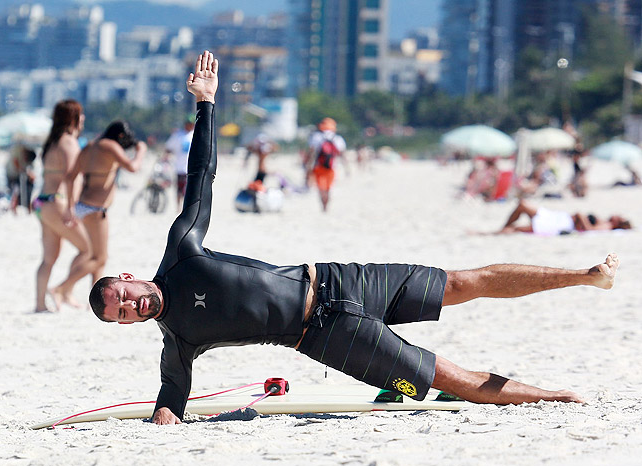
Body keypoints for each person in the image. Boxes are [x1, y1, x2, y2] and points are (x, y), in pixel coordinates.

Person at [87, 51, 623, 426]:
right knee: (446, 377)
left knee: (465, 281)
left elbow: (200, 178)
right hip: (325, 339)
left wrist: (205, 105)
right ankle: (556, 395)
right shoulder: (178, 340)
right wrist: (162, 420)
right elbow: (172, 396)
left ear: (129, 279)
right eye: (125, 316)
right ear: (127, 325)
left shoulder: (181, 255)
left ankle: (585, 276)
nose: (133, 307)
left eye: (124, 297)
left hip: (340, 279)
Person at [52, 120, 147, 307]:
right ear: (120, 136)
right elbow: (133, 167)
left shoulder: (89, 147)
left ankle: (94, 300)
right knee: (99, 258)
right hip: (96, 209)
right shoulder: (110, 146)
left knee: (94, 256)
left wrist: (71, 206)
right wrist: (141, 150)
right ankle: (61, 288)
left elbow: (70, 177)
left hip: (83, 206)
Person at [34, 99, 92, 313]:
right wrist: (71, 206)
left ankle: (40, 304)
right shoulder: (68, 142)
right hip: (58, 202)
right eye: (81, 114)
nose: (83, 118)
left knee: (49, 258)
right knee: (88, 250)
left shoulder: (52, 142)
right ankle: (64, 290)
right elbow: (71, 176)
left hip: (42, 202)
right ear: (73, 118)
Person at [495, 199, 632, 235]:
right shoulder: (605, 221)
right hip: (560, 217)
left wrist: (581, 216)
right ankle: (502, 228)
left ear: (617, 222)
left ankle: (496, 233)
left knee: (517, 229)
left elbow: (590, 230)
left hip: (562, 224)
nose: (616, 215)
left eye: (619, 217)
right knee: (522, 205)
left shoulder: (607, 226)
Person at [306, 117, 346, 212]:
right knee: (328, 188)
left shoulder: (317, 137)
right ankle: (326, 205)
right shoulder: (337, 138)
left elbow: (312, 153)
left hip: (318, 166)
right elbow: (342, 154)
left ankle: (323, 205)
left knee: (320, 187)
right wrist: (346, 168)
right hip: (332, 167)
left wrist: (309, 166)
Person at [164, 115, 195, 212]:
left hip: (192, 168)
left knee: (189, 190)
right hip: (180, 167)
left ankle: (187, 209)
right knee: (179, 190)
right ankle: (178, 208)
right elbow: (168, 147)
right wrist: (166, 157)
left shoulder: (195, 135)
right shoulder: (178, 135)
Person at [6, 144, 37, 213]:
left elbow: (30, 171)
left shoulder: (30, 159)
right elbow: (16, 163)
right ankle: (14, 208)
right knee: (16, 190)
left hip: (19, 175)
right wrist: (25, 171)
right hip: (12, 175)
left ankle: (28, 208)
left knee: (29, 187)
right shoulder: (18, 151)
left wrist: (30, 175)